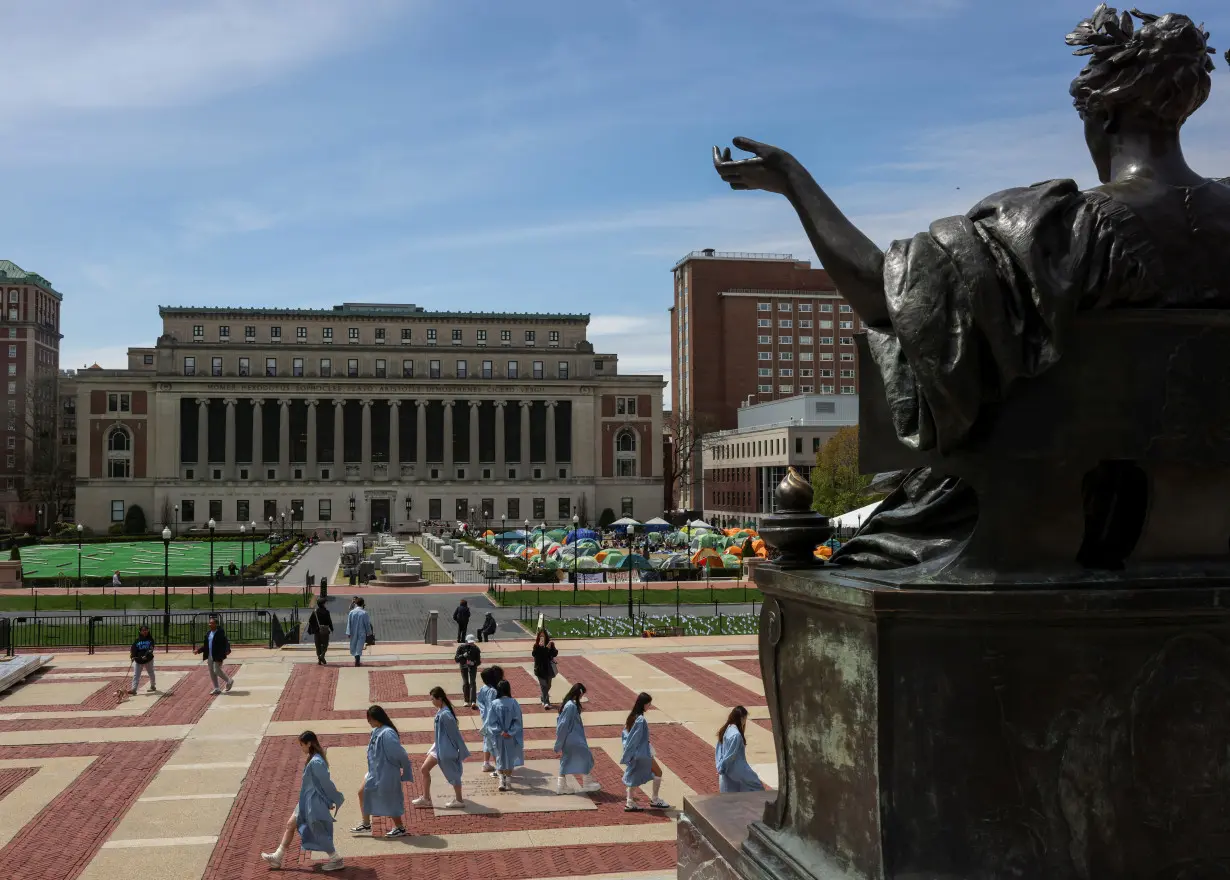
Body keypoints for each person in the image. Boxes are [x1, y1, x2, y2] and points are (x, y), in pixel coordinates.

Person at [712, 9, 1230, 570]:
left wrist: (795, 183)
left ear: (1101, 116)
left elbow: (882, 293)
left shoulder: (1065, 228)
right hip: (1206, 541)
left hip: (1040, 535)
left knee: (896, 527)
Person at [261, 731, 345, 871]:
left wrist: (332, 800)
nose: (301, 748)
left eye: (302, 745)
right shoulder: (313, 758)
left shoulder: (316, 762)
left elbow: (326, 783)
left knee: (318, 831)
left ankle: (335, 858)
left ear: (309, 743)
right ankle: (277, 857)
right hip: (306, 801)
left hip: (313, 802)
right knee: (290, 825)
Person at [352, 705, 413, 838]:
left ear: (376, 718)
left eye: (370, 719)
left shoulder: (387, 733)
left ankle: (400, 828)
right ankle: (366, 824)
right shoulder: (377, 731)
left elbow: (399, 753)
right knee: (362, 792)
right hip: (375, 771)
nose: (368, 722)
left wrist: (406, 769)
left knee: (389, 799)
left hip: (386, 772)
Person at [412, 687, 469, 810]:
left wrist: (458, 750)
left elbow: (455, 734)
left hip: (446, 748)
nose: (431, 701)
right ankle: (426, 798)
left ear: (440, 698)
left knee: (453, 774)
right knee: (424, 769)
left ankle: (459, 800)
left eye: (433, 699)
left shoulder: (446, 715)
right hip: (438, 747)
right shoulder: (441, 711)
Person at [621, 692, 670, 811]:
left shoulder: (632, 717)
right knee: (658, 772)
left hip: (637, 753)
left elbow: (626, 736)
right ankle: (655, 799)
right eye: (649, 704)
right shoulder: (640, 720)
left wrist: (628, 754)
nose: (650, 706)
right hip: (642, 753)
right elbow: (635, 739)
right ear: (643, 704)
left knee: (634, 776)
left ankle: (630, 802)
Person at [554, 683, 600, 795]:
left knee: (567, 760)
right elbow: (563, 725)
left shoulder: (569, 705)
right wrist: (559, 742)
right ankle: (587, 783)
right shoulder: (571, 706)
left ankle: (562, 785)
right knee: (586, 757)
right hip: (574, 738)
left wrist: (560, 742)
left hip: (571, 738)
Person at [484, 679, 524, 792]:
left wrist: (500, 731)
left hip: (498, 736)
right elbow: (518, 720)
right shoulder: (514, 702)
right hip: (510, 736)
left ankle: (501, 780)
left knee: (499, 757)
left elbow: (491, 721)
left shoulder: (494, 703)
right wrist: (510, 732)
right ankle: (509, 781)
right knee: (510, 757)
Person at [715, 706, 765, 793]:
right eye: (745, 718)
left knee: (732, 795)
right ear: (742, 718)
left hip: (727, 771)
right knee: (757, 787)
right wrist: (723, 767)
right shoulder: (736, 735)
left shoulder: (726, 729)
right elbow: (731, 755)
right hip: (737, 769)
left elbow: (719, 750)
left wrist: (720, 766)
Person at [194, 614, 233, 695]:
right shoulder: (208, 633)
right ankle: (216, 688)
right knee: (212, 672)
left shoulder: (220, 632)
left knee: (216, 670)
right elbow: (206, 645)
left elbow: (225, 642)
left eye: (211, 623)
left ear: (215, 624)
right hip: (210, 655)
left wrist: (227, 650)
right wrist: (198, 651)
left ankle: (229, 681)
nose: (209, 624)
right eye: (209, 623)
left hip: (218, 655)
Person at [476, 665, 504, 773]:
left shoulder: (483, 689)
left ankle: (486, 763)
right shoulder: (494, 691)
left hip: (486, 718)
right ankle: (499, 766)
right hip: (493, 719)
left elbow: (481, 703)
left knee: (487, 741)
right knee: (495, 743)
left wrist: (484, 714)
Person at [531, 628, 559, 709]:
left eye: (543, 636)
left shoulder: (550, 644)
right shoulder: (536, 646)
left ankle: (543, 697)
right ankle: (546, 702)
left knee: (548, 685)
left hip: (548, 669)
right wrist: (542, 648)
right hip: (540, 669)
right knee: (544, 685)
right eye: (540, 637)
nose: (542, 638)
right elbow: (536, 655)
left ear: (546, 637)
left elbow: (554, 653)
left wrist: (551, 647)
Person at [128, 624, 157, 695]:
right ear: (140, 631)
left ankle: (153, 685)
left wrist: (146, 655)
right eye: (143, 630)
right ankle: (134, 689)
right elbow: (133, 649)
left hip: (148, 659)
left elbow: (151, 649)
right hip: (138, 660)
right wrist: (133, 656)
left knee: (151, 672)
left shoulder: (150, 640)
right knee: (136, 675)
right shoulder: (137, 641)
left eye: (146, 630)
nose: (145, 632)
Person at [345, 597, 373, 667]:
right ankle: (358, 659)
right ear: (362, 604)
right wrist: (369, 632)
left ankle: (356, 658)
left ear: (356, 603)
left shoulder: (351, 612)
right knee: (359, 646)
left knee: (353, 645)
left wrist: (348, 632)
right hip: (361, 632)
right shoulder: (364, 613)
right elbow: (367, 623)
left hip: (353, 632)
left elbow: (349, 623)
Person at [454, 634, 481, 708]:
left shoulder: (476, 649)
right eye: (469, 643)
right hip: (463, 666)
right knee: (466, 682)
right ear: (466, 641)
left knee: (472, 682)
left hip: (472, 666)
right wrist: (463, 655)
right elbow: (456, 659)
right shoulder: (461, 648)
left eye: (472, 643)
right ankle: (466, 700)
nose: (471, 644)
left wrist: (473, 663)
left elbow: (479, 661)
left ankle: (473, 701)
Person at [306, 597, 334, 666]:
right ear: (323, 604)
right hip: (324, 631)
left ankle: (319, 658)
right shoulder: (326, 612)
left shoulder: (315, 612)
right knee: (325, 644)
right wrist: (331, 628)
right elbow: (329, 621)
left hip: (317, 631)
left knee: (318, 645)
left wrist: (314, 628)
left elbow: (310, 621)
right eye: (325, 603)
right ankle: (322, 655)